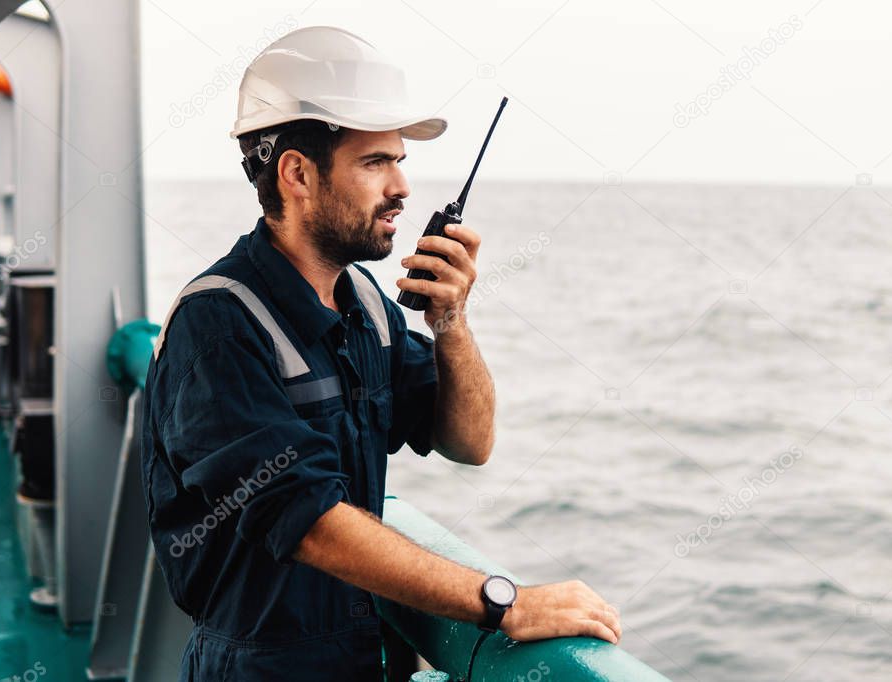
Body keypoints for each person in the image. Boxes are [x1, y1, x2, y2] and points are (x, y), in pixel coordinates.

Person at [141, 25, 621, 681]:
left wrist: (449, 320)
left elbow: (468, 442)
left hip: (366, 657)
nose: (400, 187)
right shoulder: (218, 325)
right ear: (297, 173)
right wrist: (503, 604)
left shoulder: (363, 304)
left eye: (399, 161)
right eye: (375, 163)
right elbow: (304, 520)